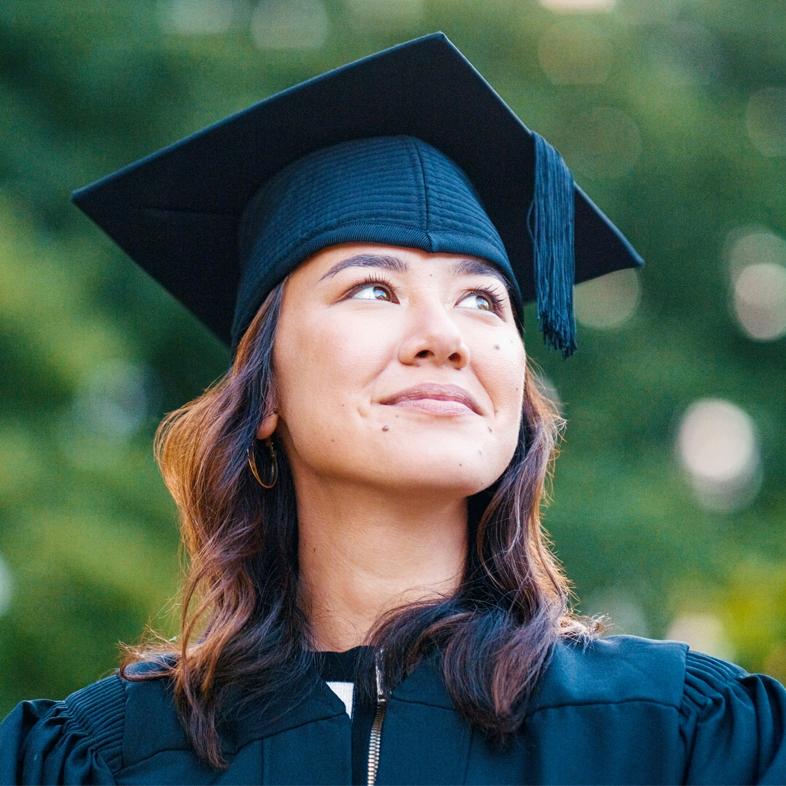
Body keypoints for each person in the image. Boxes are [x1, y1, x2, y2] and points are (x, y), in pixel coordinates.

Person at [1, 31, 785, 786]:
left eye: (482, 300)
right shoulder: (101, 761)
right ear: (264, 391)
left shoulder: (683, 742)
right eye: (373, 289)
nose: (443, 337)